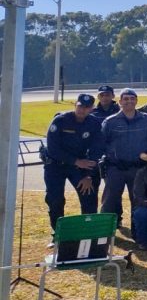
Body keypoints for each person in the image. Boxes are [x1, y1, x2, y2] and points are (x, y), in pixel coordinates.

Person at [43, 93, 103, 235]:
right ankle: (58, 233)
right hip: (55, 165)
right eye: (80, 106)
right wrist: (75, 161)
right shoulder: (60, 120)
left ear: (92, 109)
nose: (82, 109)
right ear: (75, 105)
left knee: (88, 194)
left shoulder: (94, 124)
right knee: (55, 199)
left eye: (87, 107)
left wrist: (88, 176)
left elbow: (97, 150)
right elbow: (52, 149)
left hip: (79, 166)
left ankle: (88, 231)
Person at [100, 88, 147, 228]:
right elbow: (102, 144)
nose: (129, 101)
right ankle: (105, 231)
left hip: (138, 167)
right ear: (119, 102)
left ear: (136, 101)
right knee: (110, 200)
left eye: (132, 99)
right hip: (115, 168)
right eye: (125, 99)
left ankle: (138, 231)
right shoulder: (110, 122)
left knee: (138, 200)